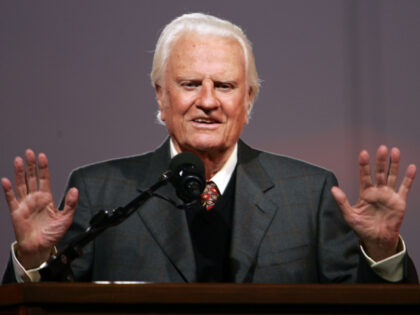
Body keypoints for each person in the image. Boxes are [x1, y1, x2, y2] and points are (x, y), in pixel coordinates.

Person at [1, 13, 418, 283]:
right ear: (161, 97)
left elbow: (365, 309)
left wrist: (381, 252)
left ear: (248, 100)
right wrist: (34, 261)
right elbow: (48, 307)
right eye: (188, 84)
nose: (207, 100)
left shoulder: (308, 195)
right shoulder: (101, 191)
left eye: (224, 86)